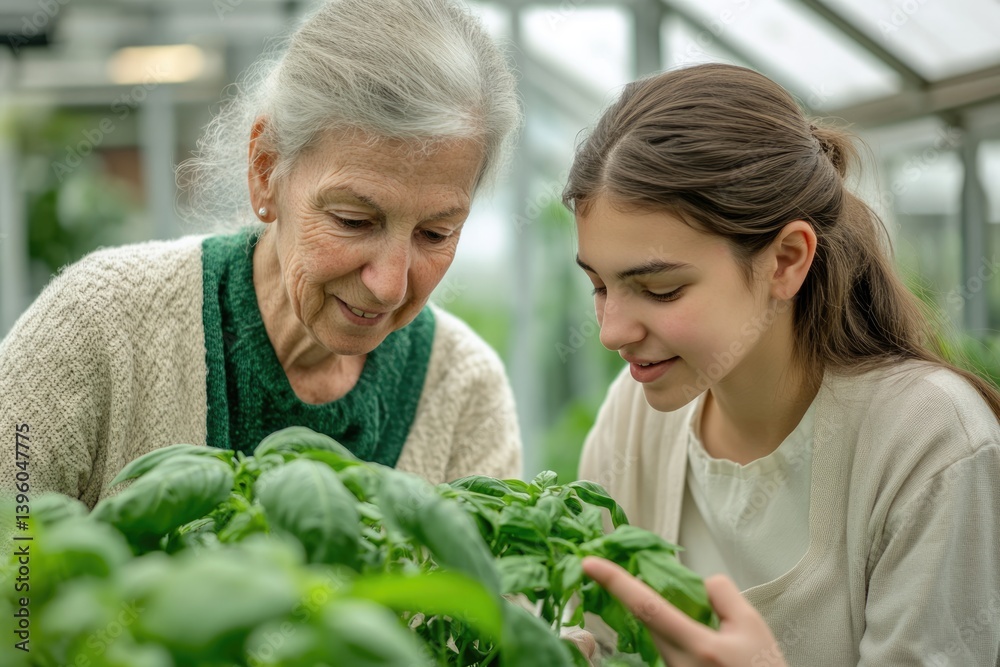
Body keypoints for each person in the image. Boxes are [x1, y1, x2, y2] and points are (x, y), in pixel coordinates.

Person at [0, 0, 523, 510]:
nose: (389, 284)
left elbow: (502, 597)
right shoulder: (101, 326)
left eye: (435, 233)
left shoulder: (465, 391)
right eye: (353, 221)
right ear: (266, 168)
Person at [567, 64, 1000, 665]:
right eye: (598, 285)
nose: (612, 330)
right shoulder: (632, 417)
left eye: (661, 289)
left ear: (787, 260)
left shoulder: (929, 441)